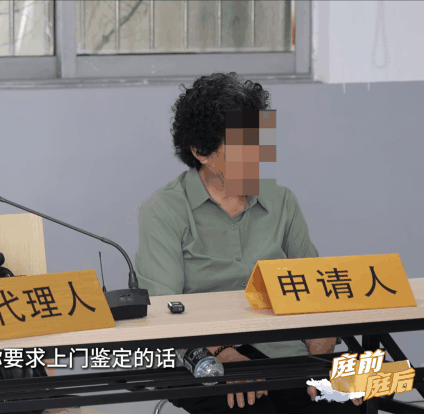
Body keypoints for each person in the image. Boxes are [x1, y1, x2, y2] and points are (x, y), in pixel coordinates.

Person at [134, 72, 362, 414]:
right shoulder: (164, 210)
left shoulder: (281, 201)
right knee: (252, 409)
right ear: (201, 151)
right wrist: (223, 354)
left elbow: (316, 291)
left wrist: (320, 354)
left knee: (346, 402)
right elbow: (163, 311)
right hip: (202, 355)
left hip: (284, 349)